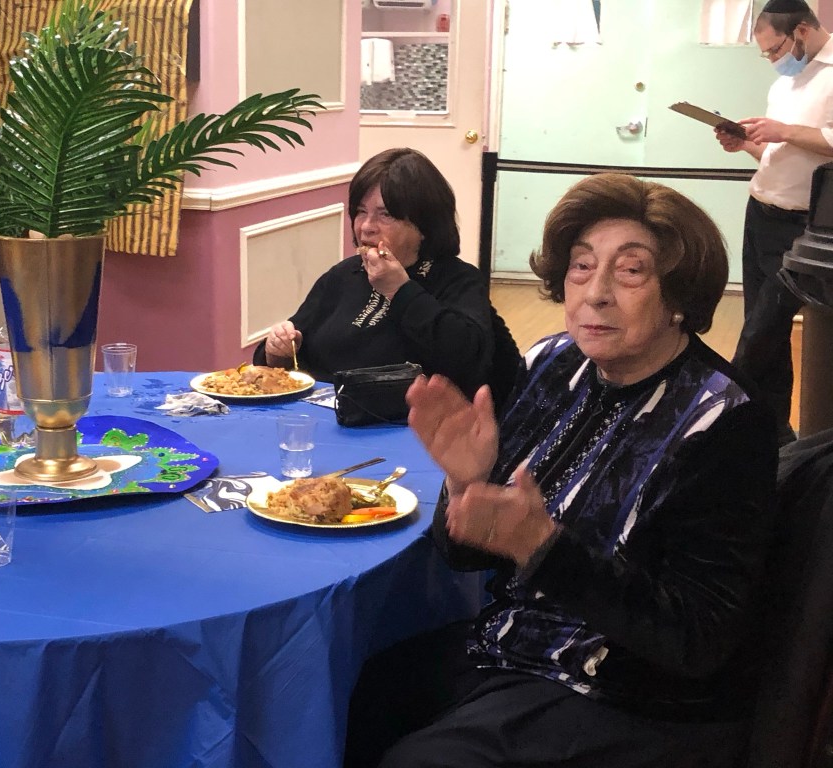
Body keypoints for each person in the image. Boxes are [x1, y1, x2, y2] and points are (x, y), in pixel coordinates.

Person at [343, 173, 778, 768]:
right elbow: (467, 555)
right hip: (518, 644)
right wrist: (467, 483)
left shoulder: (724, 420)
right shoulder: (553, 364)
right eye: (581, 266)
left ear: (680, 297)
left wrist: (542, 547)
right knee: (344, 695)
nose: (596, 293)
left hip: (635, 694)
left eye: (630, 271)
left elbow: (697, 638)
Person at [253, 147, 520, 404]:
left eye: (386, 215)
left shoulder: (457, 279)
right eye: (361, 212)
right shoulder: (343, 275)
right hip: (319, 417)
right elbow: (288, 352)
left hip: (405, 426)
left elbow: (467, 362)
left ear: (424, 225)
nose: (367, 227)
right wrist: (277, 353)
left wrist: (399, 290)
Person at [714, 0, 833, 445]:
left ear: (801, 30)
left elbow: (798, 139)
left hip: (806, 225)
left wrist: (784, 131)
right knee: (767, 333)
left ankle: (723, 424)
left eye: (774, 49)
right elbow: (780, 156)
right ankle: (772, 436)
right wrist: (744, 144)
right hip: (762, 212)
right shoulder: (785, 83)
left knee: (758, 335)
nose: (771, 60)